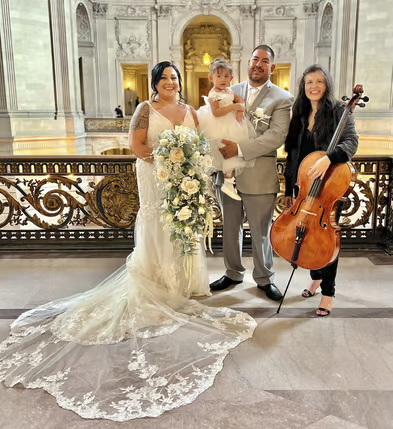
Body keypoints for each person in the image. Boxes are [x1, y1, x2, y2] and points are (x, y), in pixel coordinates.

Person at [0, 61, 256, 421]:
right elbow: (136, 145)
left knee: (181, 225)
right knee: (157, 221)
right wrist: (166, 158)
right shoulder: (144, 109)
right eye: (165, 78)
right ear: (154, 84)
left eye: (175, 78)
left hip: (182, 175)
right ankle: (156, 281)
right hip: (154, 174)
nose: (171, 82)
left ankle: (182, 283)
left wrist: (194, 161)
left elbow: (198, 142)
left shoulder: (188, 111)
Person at [209, 45, 293, 301]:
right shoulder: (229, 91)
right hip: (227, 173)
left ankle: (264, 278)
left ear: (272, 67)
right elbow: (215, 123)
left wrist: (241, 148)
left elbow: (276, 137)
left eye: (264, 61)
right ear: (248, 62)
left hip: (259, 175)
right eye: (255, 59)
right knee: (230, 227)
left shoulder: (282, 98)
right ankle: (233, 272)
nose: (258, 64)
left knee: (260, 231)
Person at [283, 64, 358, 316]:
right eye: (308, 83)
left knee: (327, 239)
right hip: (304, 186)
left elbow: (351, 142)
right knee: (306, 236)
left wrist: (328, 157)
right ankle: (315, 279)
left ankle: (328, 292)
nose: (313, 86)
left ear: (326, 85)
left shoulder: (339, 110)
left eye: (319, 82)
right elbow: (293, 153)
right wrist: (288, 186)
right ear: (303, 88)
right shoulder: (301, 112)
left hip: (329, 184)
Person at [197, 58, 256, 200]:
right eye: (218, 76)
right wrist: (233, 107)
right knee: (218, 153)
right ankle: (207, 183)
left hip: (232, 124)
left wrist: (240, 110)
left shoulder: (229, 91)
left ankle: (229, 182)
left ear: (231, 78)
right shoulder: (213, 95)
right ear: (211, 78)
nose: (222, 79)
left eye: (226, 76)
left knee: (233, 153)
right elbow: (216, 112)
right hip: (218, 124)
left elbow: (240, 100)